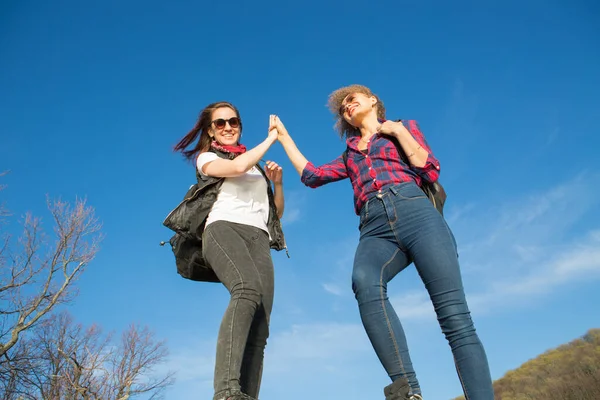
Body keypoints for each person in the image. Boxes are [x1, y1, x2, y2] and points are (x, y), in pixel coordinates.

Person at [271, 85, 494, 400]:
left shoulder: (403, 129)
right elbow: (312, 176)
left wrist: (398, 132)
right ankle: (408, 391)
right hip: (374, 227)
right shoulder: (350, 153)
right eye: (342, 107)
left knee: (454, 317)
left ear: (372, 100)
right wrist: (283, 137)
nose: (347, 105)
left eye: (352, 98)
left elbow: (429, 168)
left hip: (416, 211)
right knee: (364, 282)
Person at [172, 102, 287, 400]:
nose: (227, 127)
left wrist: (277, 184)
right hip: (223, 229)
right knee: (246, 290)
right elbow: (236, 167)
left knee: (260, 327)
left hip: (259, 237)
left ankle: (246, 395)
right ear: (211, 131)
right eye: (220, 123)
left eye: (233, 121)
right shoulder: (207, 158)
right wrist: (273, 138)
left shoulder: (256, 167)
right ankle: (226, 392)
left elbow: (275, 214)